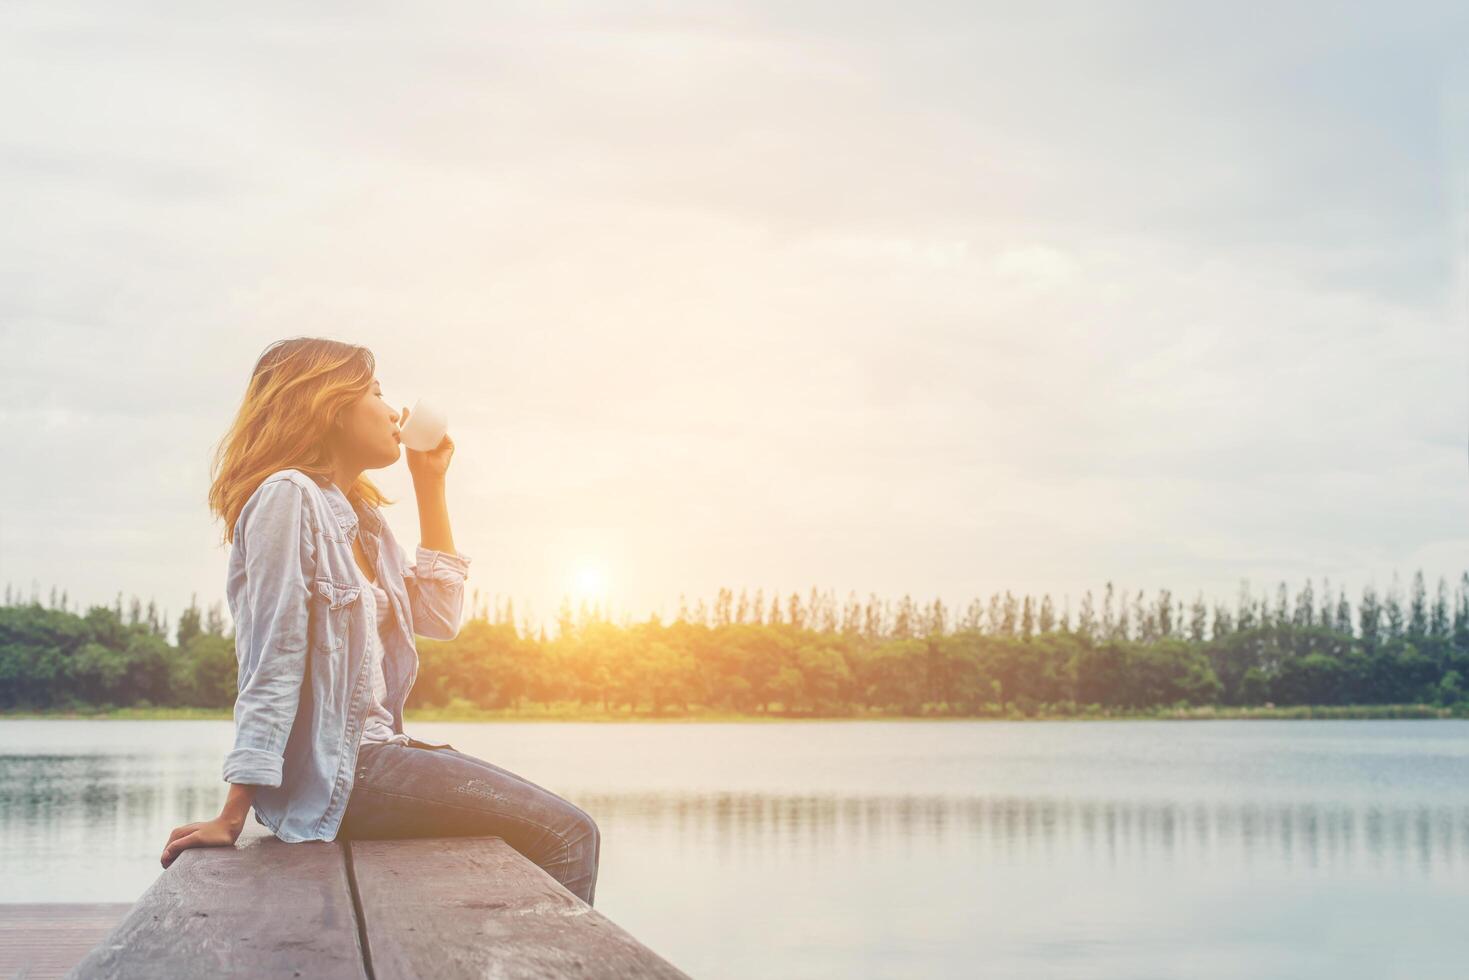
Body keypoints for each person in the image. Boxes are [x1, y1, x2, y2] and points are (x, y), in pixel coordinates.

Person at [159, 337, 600, 906]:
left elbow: (440, 617)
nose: (394, 412)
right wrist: (233, 813)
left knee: (562, 832)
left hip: (377, 755)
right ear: (329, 404)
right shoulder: (287, 496)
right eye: (375, 391)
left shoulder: (363, 521)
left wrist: (430, 480)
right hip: (347, 771)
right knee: (568, 834)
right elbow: (275, 656)